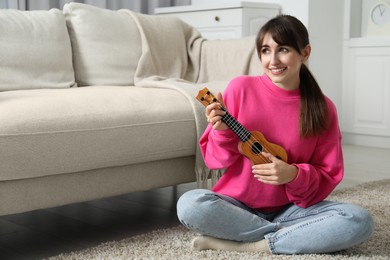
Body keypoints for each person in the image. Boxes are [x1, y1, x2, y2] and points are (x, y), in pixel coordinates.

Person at [176, 14, 373, 254]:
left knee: (358, 219)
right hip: (237, 206)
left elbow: (328, 173)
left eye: (283, 49)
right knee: (190, 205)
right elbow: (214, 160)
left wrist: (293, 174)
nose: (273, 60)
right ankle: (293, 238)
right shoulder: (240, 88)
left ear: (305, 52)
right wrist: (223, 132)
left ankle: (255, 244)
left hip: (292, 209)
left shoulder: (324, 108)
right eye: (266, 50)